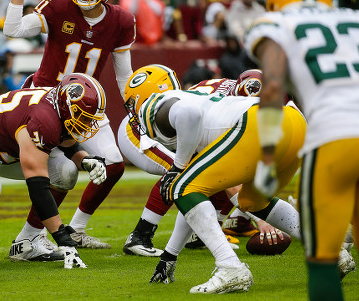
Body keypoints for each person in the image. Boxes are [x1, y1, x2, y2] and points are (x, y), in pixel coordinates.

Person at [122, 65, 306, 293]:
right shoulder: (198, 102)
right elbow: (191, 202)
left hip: (258, 124)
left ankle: (230, 268)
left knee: (181, 187)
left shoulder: (154, 105)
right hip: (294, 121)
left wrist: (178, 167)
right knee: (252, 202)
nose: (132, 111)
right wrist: (169, 255)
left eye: (131, 103)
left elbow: (189, 114)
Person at [3, 0, 136, 253]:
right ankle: (30, 237)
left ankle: (75, 229)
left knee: (113, 166)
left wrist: (134, 105)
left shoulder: (121, 20)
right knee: (64, 172)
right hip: (45, 101)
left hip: (86, 107)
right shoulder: (59, 5)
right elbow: (13, 30)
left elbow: (123, 75)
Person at [245, 0, 359, 301]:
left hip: (333, 140)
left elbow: (271, 88)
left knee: (323, 258)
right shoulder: (356, 19)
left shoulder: (275, 23)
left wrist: (267, 156)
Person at [0, 73, 106, 268]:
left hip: (8, 148)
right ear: (68, 107)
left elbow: (66, 142)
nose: (87, 124)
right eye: (84, 117)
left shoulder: (57, 107)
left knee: (66, 172)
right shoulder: (44, 118)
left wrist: (86, 160)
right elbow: (38, 187)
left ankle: (28, 242)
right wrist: (62, 238)